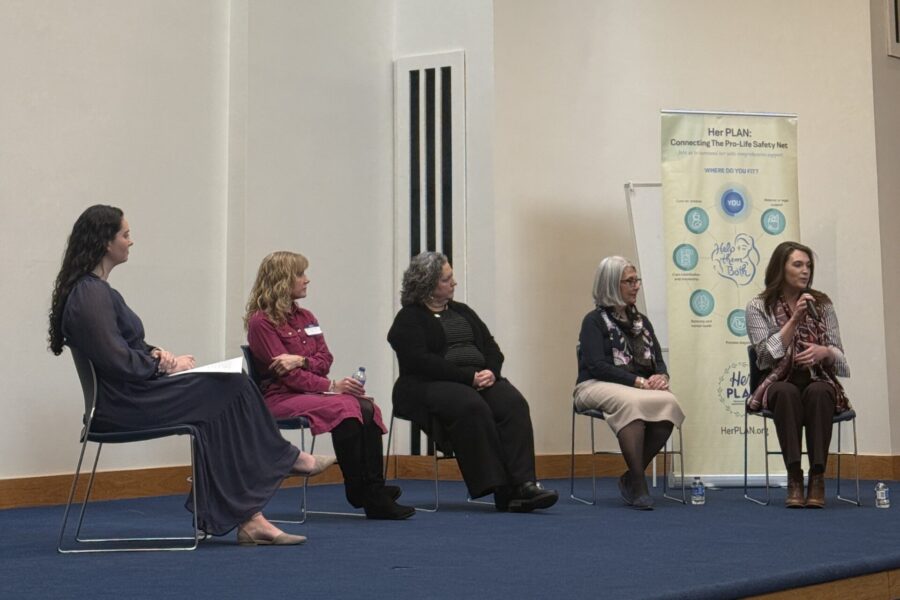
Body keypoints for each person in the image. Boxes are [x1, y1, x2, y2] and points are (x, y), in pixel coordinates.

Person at [49, 205, 333, 546]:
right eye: (125, 235)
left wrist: (156, 354)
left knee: (222, 399)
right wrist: (162, 364)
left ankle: (251, 518)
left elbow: (123, 349)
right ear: (105, 242)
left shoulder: (97, 291)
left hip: (134, 394)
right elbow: (115, 360)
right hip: (122, 405)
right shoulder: (90, 293)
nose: (131, 241)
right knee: (233, 384)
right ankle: (285, 461)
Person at [245, 251, 414, 520]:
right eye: (300, 274)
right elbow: (288, 377)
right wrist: (332, 385)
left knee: (366, 406)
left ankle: (369, 488)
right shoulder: (261, 323)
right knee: (346, 406)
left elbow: (325, 359)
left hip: (309, 391)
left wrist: (300, 359)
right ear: (282, 280)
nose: (306, 280)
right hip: (280, 397)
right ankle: (366, 492)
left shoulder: (307, 317)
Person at [387, 252, 558, 512]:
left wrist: (491, 370)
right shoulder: (409, 318)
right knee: (470, 405)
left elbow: (491, 347)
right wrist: (467, 377)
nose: (454, 282)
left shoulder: (463, 311)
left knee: (512, 402)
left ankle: (525, 483)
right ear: (429, 284)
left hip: (478, 378)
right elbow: (421, 361)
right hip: (428, 384)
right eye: (447, 279)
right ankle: (502, 488)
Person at [574, 256, 685, 510]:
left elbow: (657, 359)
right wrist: (636, 381)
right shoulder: (593, 321)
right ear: (612, 284)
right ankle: (639, 482)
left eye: (637, 281)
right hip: (593, 384)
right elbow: (596, 366)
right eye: (630, 281)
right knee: (632, 404)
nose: (636, 286)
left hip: (636, 387)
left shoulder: (641, 322)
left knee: (667, 403)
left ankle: (630, 477)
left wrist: (661, 377)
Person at [746, 241, 850, 508]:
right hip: (778, 380)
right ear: (781, 268)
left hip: (818, 377)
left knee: (819, 393)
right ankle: (794, 477)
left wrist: (823, 351)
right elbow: (765, 358)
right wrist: (793, 321)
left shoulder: (822, 303)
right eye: (798, 265)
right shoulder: (759, 306)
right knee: (785, 392)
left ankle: (817, 477)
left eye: (809, 266)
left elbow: (840, 358)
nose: (805, 271)